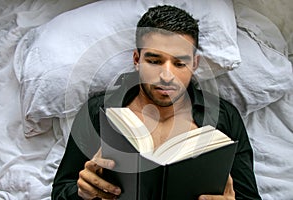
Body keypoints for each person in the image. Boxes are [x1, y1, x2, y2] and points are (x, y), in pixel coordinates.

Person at [52, 5, 262, 200]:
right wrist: (81, 193)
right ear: (137, 60)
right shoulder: (97, 111)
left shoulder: (225, 117)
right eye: (154, 61)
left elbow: (249, 196)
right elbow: (61, 191)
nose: (167, 75)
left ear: (194, 64)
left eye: (180, 63)